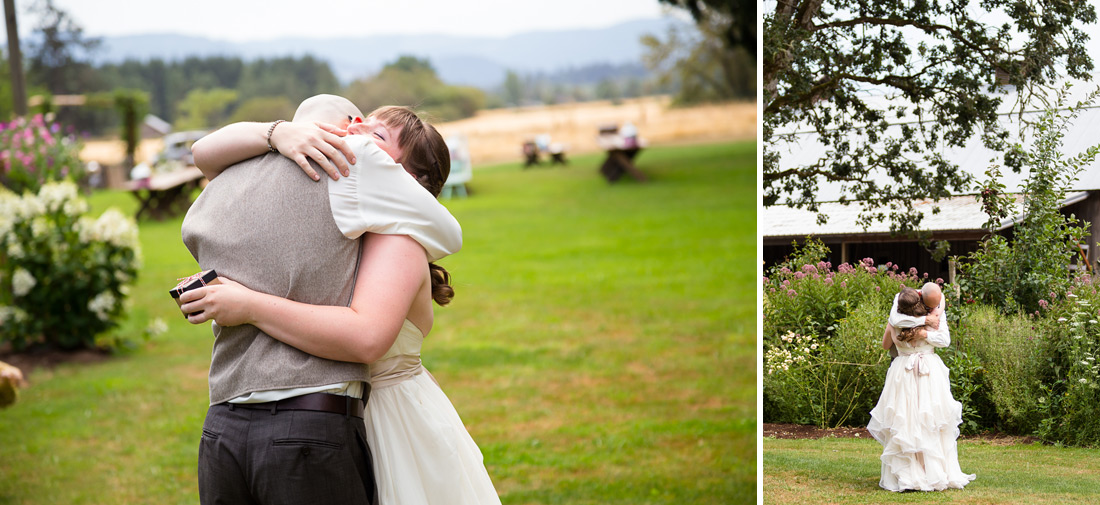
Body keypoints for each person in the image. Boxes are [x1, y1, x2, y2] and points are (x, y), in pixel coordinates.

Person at [180, 98, 502, 505]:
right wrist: (279, 133)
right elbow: (207, 158)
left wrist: (246, 304)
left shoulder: (399, 239)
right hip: (313, 415)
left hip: (387, 423)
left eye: (376, 136)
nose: (355, 131)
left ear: (407, 179)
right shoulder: (342, 216)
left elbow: (367, 335)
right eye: (360, 123)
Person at [867, 283, 976, 492]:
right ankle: (913, 474)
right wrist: (926, 324)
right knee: (909, 421)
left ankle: (921, 473)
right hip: (910, 371)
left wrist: (923, 334)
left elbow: (943, 339)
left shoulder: (908, 315)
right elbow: (942, 339)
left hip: (921, 371)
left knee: (924, 421)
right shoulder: (908, 316)